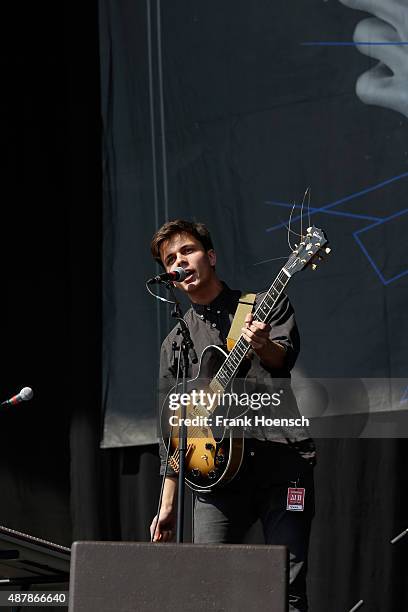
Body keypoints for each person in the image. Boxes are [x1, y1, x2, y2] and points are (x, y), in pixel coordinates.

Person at [149, 219, 315, 612]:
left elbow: (282, 360)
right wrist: (167, 503)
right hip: (215, 478)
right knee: (212, 588)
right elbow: (173, 429)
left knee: (287, 586)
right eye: (170, 259)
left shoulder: (260, 305)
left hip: (280, 462)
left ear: (210, 256)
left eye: (186, 251)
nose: (179, 261)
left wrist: (261, 344)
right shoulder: (176, 343)